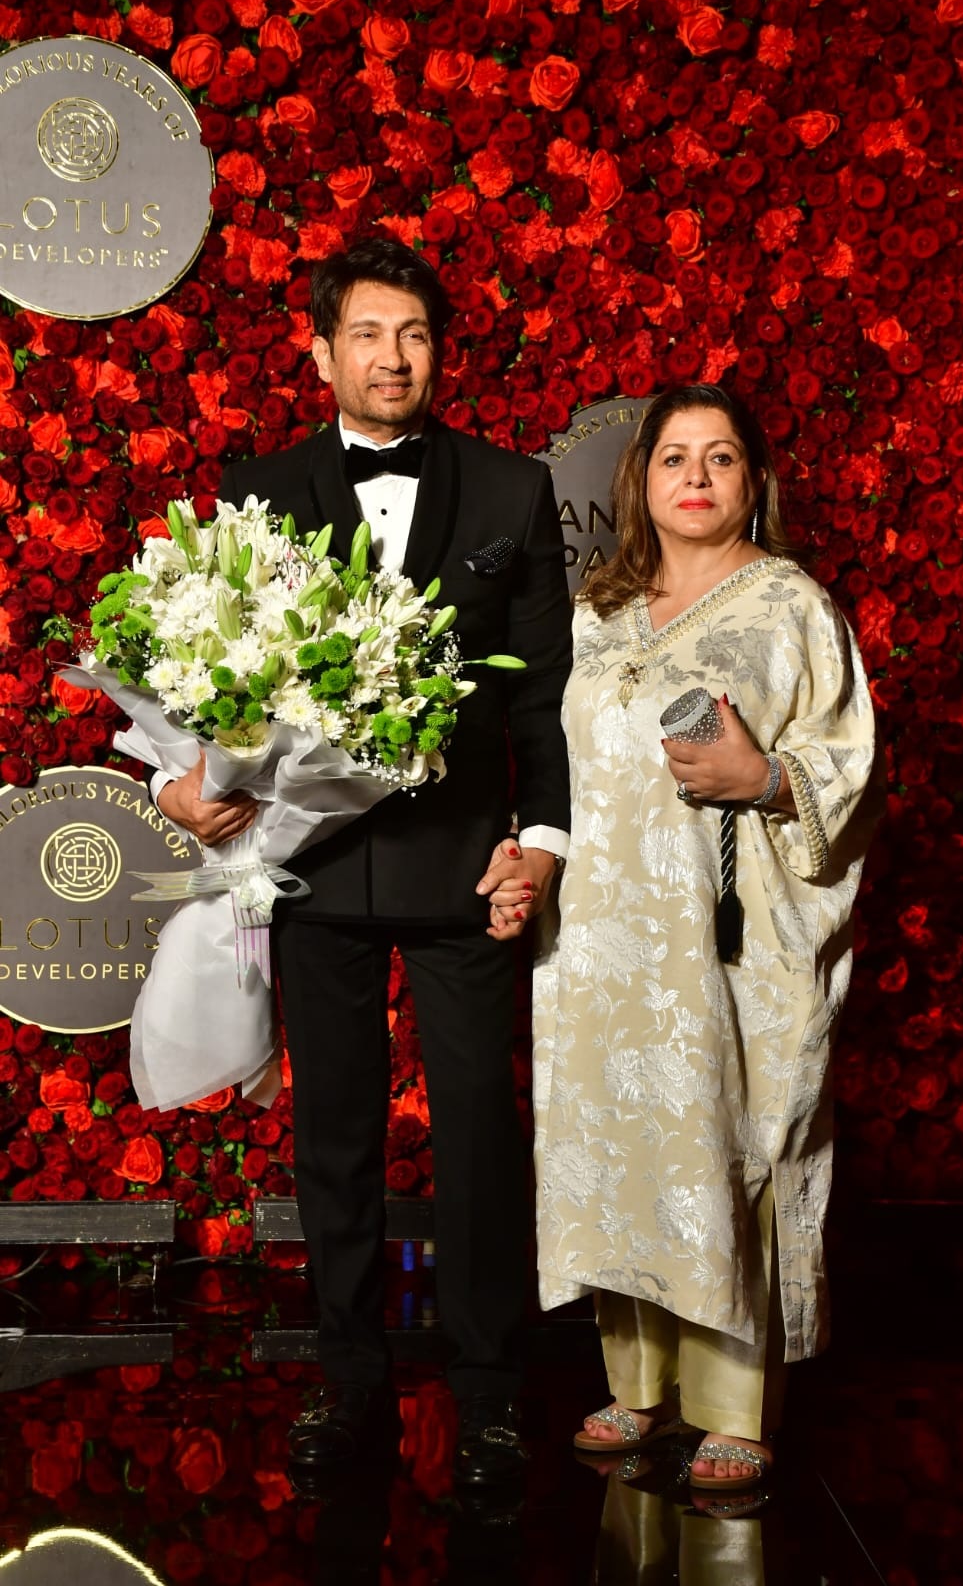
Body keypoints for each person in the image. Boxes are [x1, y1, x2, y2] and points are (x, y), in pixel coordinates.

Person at [156, 238, 573, 1484]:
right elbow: (206, 670)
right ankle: (348, 1382)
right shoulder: (255, 488)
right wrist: (185, 780)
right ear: (322, 350)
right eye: (370, 335)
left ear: (439, 352)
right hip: (314, 868)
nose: (394, 358)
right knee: (332, 1135)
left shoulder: (511, 489)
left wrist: (541, 844)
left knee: (479, 1134)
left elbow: (546, 697)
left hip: (465, 867)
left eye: (416, 335)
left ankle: (489, 1389)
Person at [530, 384, 881, 1494]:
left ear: (753, 481)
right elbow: (559, 764)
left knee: (720, 1132)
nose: (695, 475)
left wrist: (764, 778)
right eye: (674, 455)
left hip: (725, 937)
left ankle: (733, 1405)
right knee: (620, 1139)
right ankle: (636, 1384)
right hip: (599, 936)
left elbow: (849, 763)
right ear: (640, 481)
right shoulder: (599, 611)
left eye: (720, 457)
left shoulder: (791, 607)